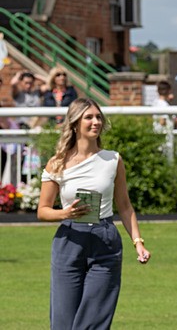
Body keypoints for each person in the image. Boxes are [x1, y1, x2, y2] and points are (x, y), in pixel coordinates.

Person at [37, 98, 150, 330]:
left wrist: (137, 242)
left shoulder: (113, 160)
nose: (96, 122)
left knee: (94, 322)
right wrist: (65, 214)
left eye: (98, 117)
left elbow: (125, 206)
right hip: (69, 241)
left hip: (105, 240)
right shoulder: (57, 163)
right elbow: (42, 210)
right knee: (63, 323)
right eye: (89, 117)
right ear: (76, 124)